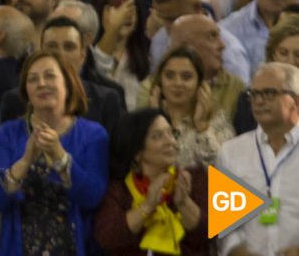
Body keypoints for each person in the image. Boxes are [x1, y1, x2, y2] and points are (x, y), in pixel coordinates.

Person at [0, 49, 109, 256]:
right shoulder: (8, 134)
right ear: (26, 91)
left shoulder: (93, 134)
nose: (41, 83)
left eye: (49, 76)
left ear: (67, 84)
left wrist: (61, 158)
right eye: (33, 79)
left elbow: (93, 197)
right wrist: (24, 163)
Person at [95, 109, 207, 256]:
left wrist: (184, 203)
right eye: (157, 136)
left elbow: (210, 233)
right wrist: (147, 207)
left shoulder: (195, 177)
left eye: (171, 133)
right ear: (137, 153)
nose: (170, 141)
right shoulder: (119, 188)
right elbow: (106, 237)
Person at [216, 62, 299, 256]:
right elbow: (225, 225)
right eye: (253, 94)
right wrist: (238, 251)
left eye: (269, 93)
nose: (259, 101)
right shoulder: (231, 152)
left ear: (295, 101)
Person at [0, 17, 125, 135]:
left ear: (83, 55)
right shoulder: (15, 100)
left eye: (69, 47)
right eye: (52, 47)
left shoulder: (107, 100)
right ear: (40, 53)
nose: (59, 54)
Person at [147, 45, 234, 168]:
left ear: (199, 83)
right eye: (170, 76)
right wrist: (152, 121)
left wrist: (201, 126)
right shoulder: (145, 120)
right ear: (160, 81)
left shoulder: (217, 120)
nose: (177, 83)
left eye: (186, 77)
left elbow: (224, 171)